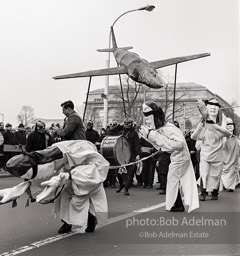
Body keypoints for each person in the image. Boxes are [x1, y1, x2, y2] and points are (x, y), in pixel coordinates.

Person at [2, 140, 109, 234]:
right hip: (66, 174)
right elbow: (43, 176)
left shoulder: (82, 150)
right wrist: (20, 189)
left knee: (85, 201)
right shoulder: (54, 158)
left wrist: (71, 175)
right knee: (63, 200)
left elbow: (98, 169)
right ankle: (67, 222)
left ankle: (91, 219)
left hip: (86, 179)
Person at [139, 101, 199, 212]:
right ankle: (177, 204)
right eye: (145, 115)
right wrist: (149, 136)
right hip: (177, 157)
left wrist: (152, 136)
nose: (146, 119)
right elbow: (161, 145)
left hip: (180, 157)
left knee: (173, 180)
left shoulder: (168, 128)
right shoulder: (164, 127)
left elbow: (178, 144)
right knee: (173, 180)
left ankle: (177, 204)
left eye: (148, 115)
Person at [191, 98, 231, 201]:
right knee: (204, 174)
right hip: (205, 154)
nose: (213, 107)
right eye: (211, 104)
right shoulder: (202, 121)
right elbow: (194, 136)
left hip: (218, 154)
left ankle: (214, 192)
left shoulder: (223, 120)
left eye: (216, 105)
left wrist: (210, 122)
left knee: (216, 175)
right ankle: (203, 193)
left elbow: (226, 133)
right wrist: (203, 121)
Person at [116, 118, 141, 196]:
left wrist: (137, 154)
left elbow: (137, 144)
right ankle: (121, 184)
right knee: (119, 172)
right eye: (125, 123)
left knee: (129, 173)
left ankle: (126, 188)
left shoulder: (134, 133)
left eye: (128, 123)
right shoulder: (120, 132)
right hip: (120, 155)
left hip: (131, 155)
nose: (126, 124)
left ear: (131, 124)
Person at [221, 118, 240, 192]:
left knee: (233, 171)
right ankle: (226, 184)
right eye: (228, 124)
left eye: (231, 124)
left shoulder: (236, 139)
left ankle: (231, 186)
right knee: (225, 171)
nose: (230, 126)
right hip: (226, 158)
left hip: (234, 158)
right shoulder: (223, 138)